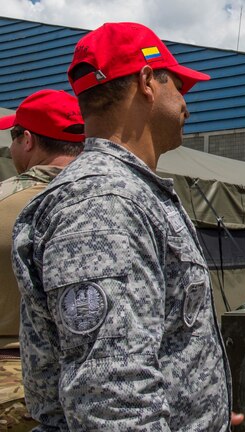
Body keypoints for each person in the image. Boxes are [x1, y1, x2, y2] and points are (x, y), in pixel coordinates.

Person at [12, 22, 242, 430]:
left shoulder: (129, 193)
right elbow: (112, 396)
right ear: (148, 81)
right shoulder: (102, 205)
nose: (186, 104)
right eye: (179, 86)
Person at [0, 89, 84, 431]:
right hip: (95, 391)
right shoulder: (113, 202)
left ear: (29, 140)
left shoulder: (5, 200)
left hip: (12, 388)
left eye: (14, 137)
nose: (10, 148)